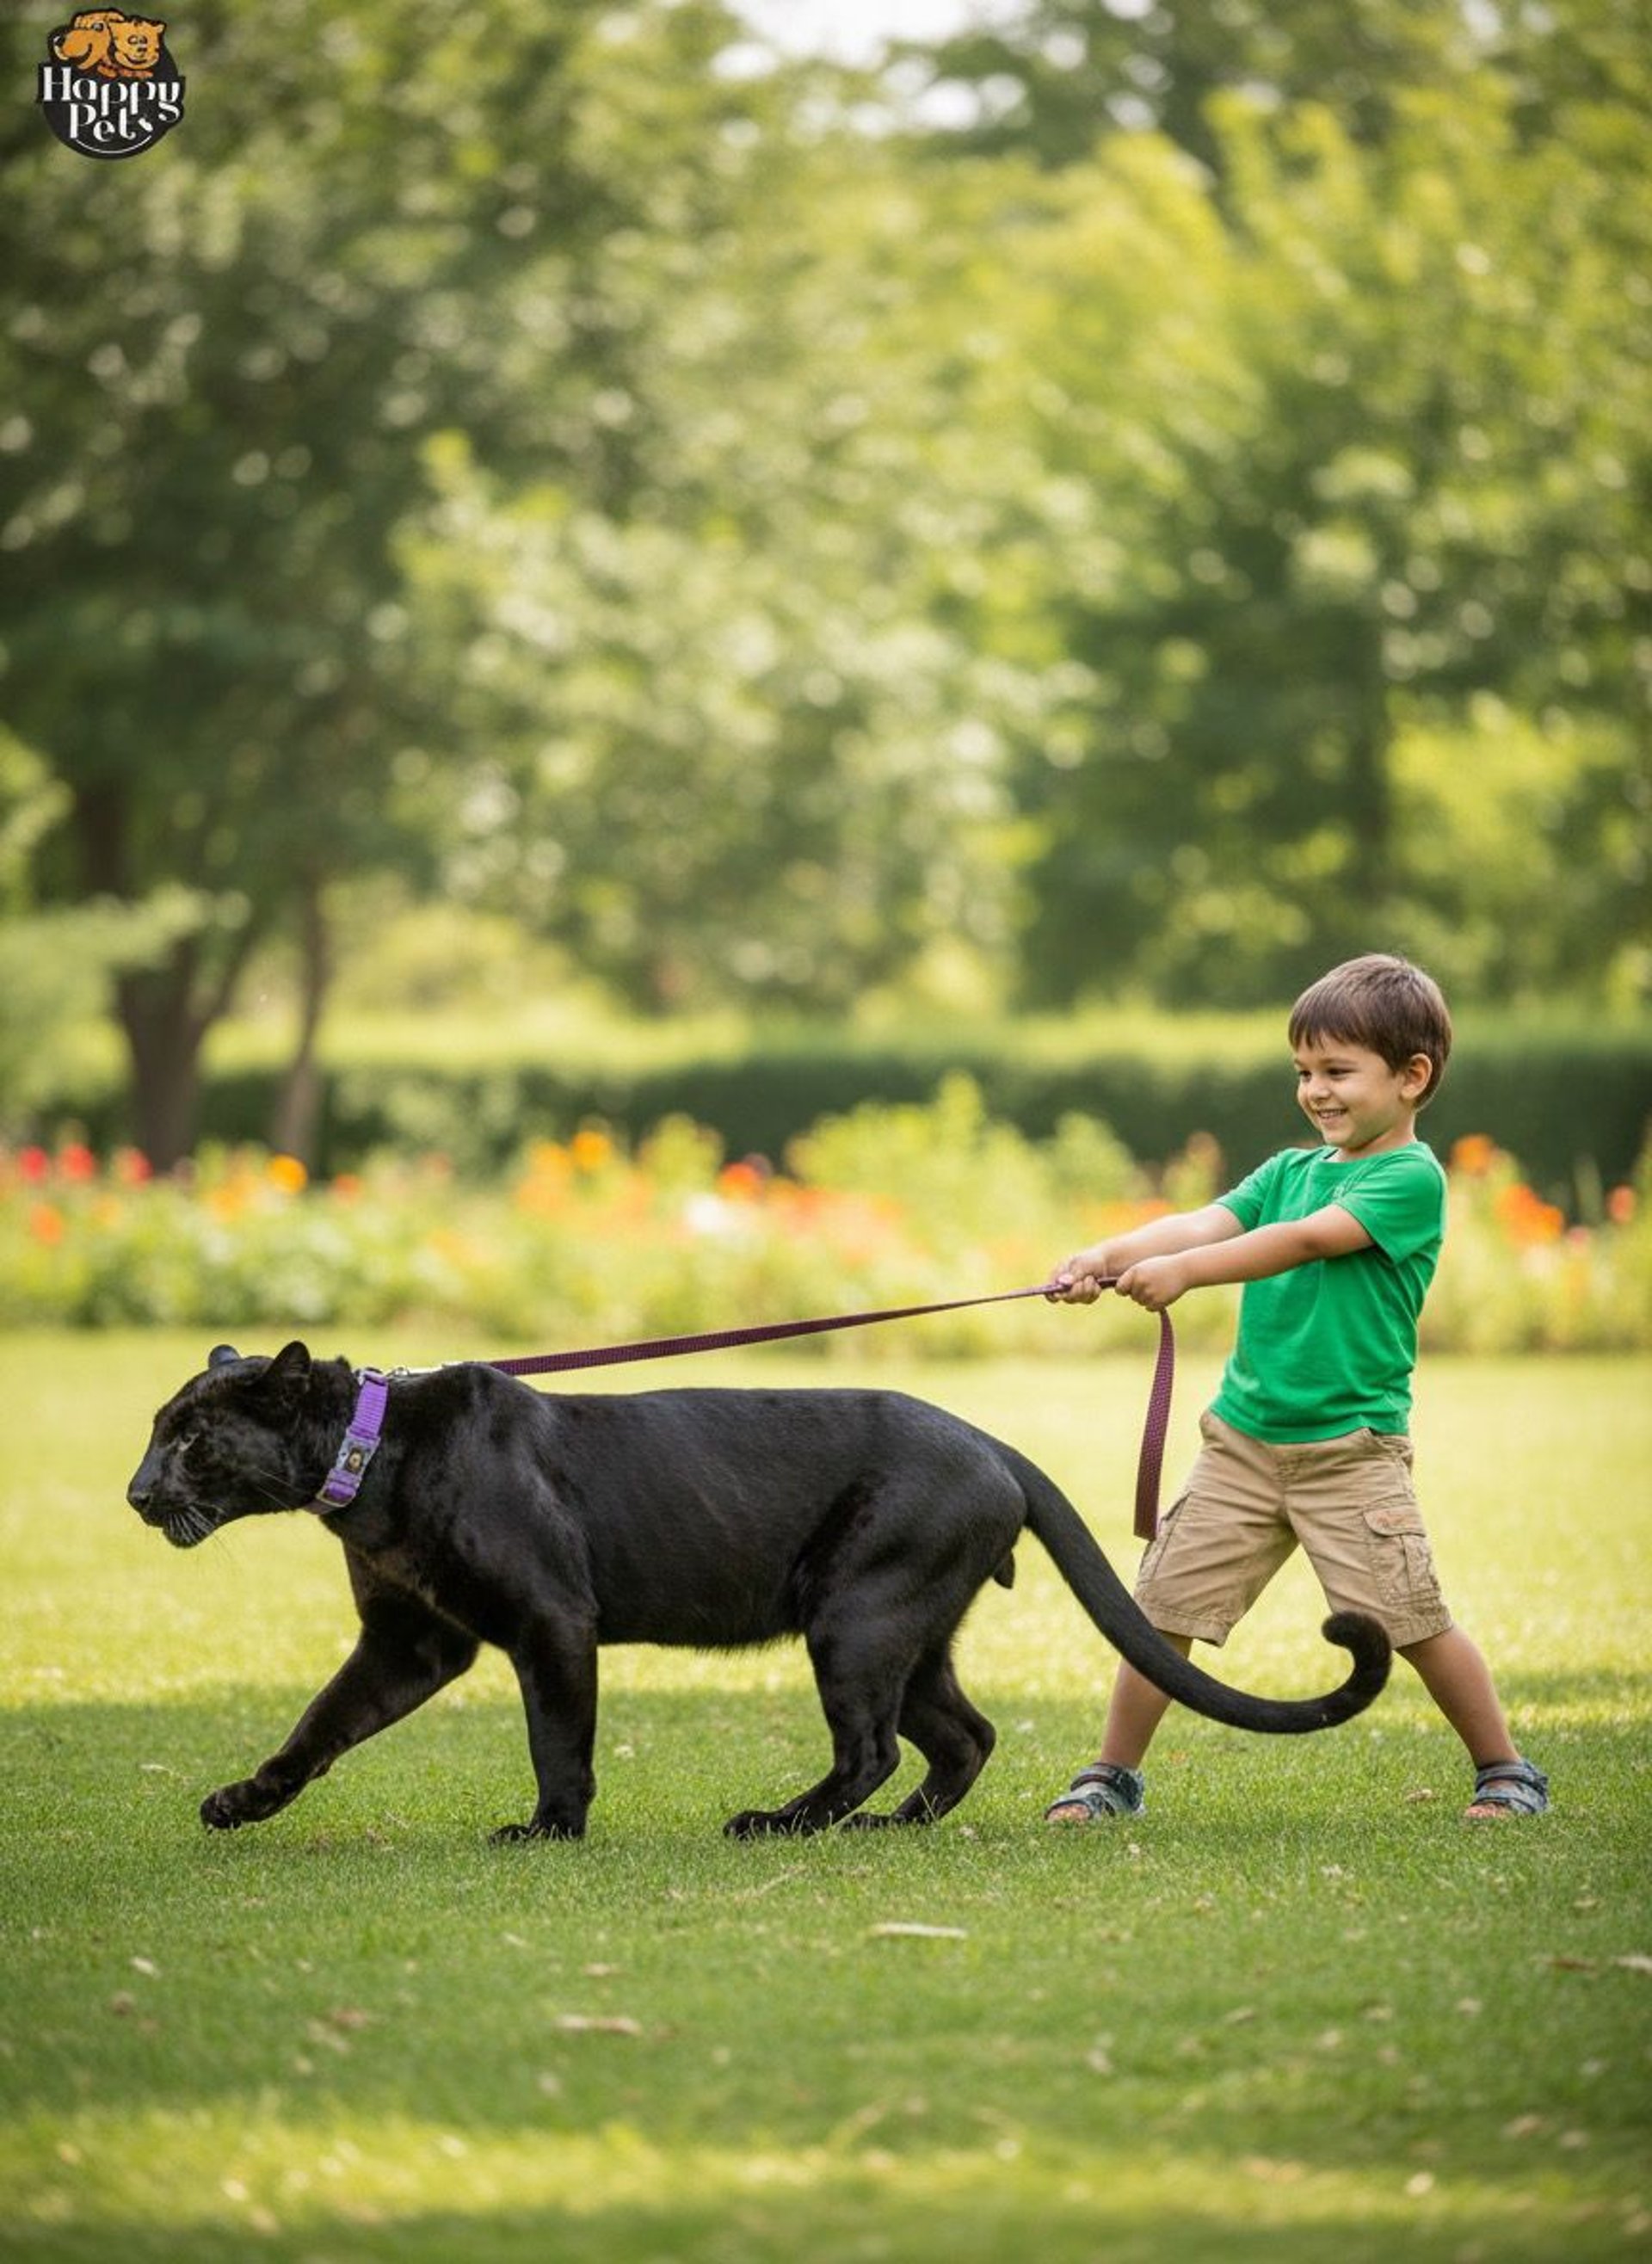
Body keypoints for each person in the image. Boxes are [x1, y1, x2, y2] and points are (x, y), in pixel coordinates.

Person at [1043, 953, 1548, 1825]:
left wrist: (1186, 1275)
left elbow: (1307, 1243)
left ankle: (1506, 1770)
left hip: (1350, 1452)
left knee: (1410, 1619)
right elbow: (1205, 1220)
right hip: (1243, 1443)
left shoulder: (1408, 1178)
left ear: (1412, 1076)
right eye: (1304, 1071)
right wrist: (1112, 1254)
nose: (1315, 1090)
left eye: (1338, 1071)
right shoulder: (1288, 1169)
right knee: (1161, 1612)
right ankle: (1110, 1776)